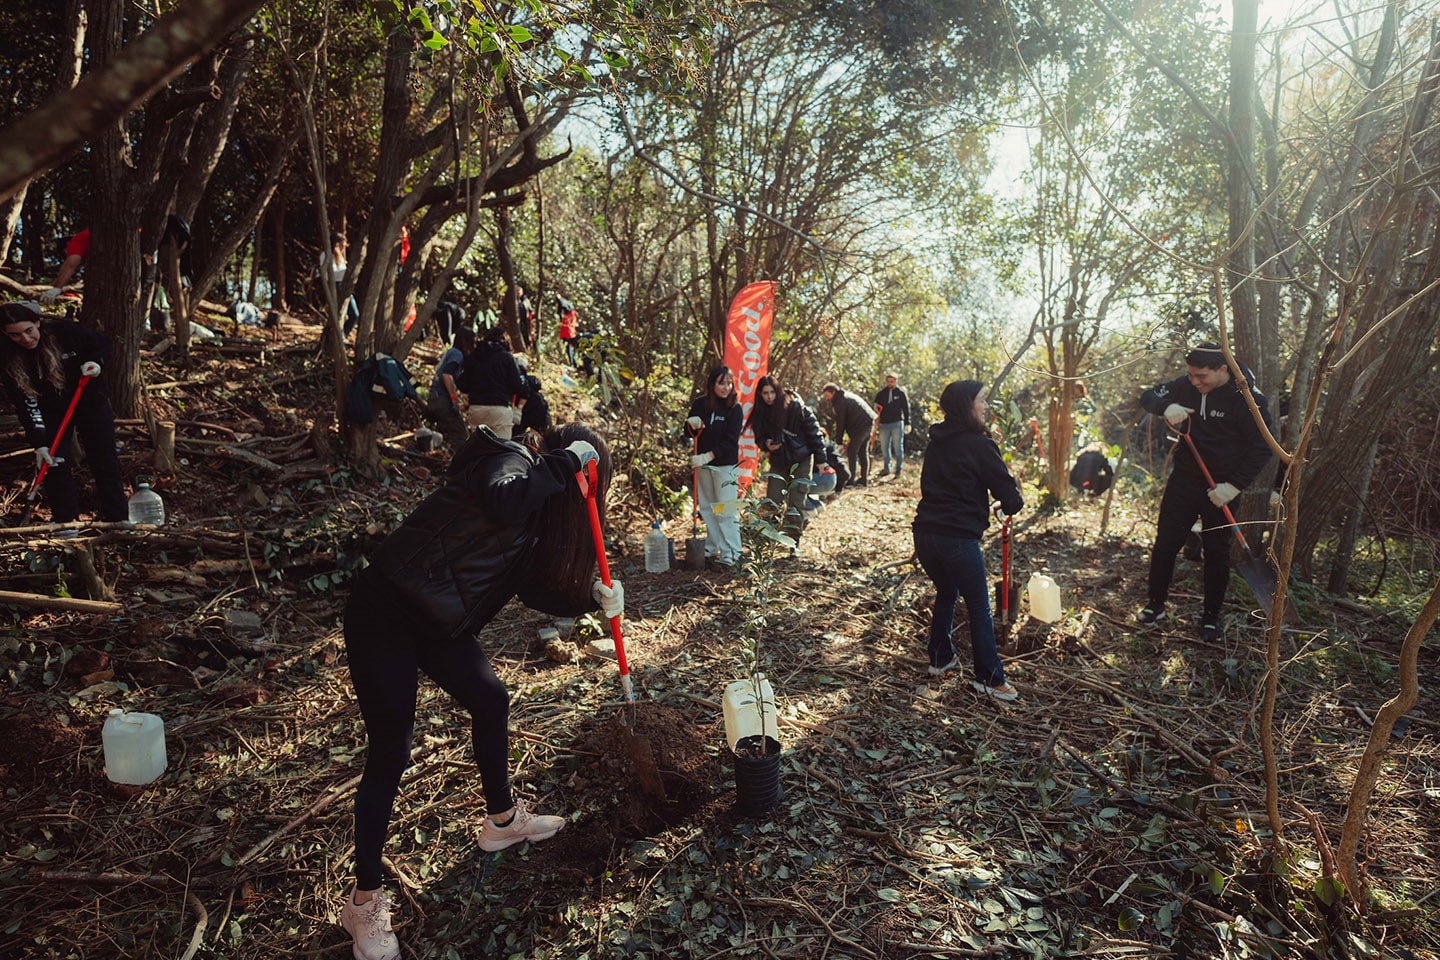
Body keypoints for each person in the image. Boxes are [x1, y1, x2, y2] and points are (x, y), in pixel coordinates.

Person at [338, 424, 622, 960]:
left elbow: (530, 586)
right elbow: (505, 496)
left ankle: (501, 822)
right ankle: (364, 901)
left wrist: (592, 597)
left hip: (440, 624)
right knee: (391, 750)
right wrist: (563, 462)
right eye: (585, 476)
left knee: (492, 701)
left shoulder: (537, 512)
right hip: (386, 613)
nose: (584, 488)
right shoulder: (506, 462)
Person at [1136, 342, 1273, 640]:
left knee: (1216, 551)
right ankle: (1155, 604)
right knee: (1166, 544)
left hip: (1222, 486)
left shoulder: (1249, 399)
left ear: (1222, 369)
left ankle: (1211, 617)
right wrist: (1166, 406)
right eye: (1190, 375)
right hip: (1185, 478)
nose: (1194, 381)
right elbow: (1147, 396)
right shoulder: (1186, 385)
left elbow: (1263, 447)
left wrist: (1233, 487)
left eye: (1201, 376)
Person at [912, 380, 1023, 701]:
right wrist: (1008, 489)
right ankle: (989, 677)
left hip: (924, 535)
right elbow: (1012, 500)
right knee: (978, 605)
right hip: (957, 539)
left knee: (947, 591)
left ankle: (940, 658)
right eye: (982, 400)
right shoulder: (980, 445)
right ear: (966, 406)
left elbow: (940, 486)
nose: (986, 406)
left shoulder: (937, 442)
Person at [0, 302, 127, 524]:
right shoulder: (7, 356)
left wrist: (96, 362)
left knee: (104, 458)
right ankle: (66, 522)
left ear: (37, 323)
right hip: (51, 409)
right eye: (16, 335)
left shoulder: (65, 332)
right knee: (53, 461)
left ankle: (118, 518)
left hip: (89, 400)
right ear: (5, 334)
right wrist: (39, 442)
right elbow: (25, 402)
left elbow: (103, 344)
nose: (26, 339)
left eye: (29, 330)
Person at [746, 374, 825, 557]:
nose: (769, 397)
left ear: (778, 391)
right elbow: (759, 436)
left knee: (795, 504)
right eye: (765, 393)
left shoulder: (794, 407)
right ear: (760, 394)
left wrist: (821, 459)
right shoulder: (760, 412)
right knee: (771, 502)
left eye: (772, 392)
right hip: (779, 460)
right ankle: (767, 543)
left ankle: (793, 544)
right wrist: (765, 443)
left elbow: (814, 431)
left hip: (802, 459)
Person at [684, 365, 743, 570]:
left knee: (725, 509)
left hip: (724, 466)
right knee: (708, 507)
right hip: (703, 466)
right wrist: (691, 424)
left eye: (729, 383)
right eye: (721, 383)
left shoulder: (735, 409)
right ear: (712, 384)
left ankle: (731, 554)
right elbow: (688, 432)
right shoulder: (701, 404)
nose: (726, 387)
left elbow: (730, 441)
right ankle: (711, 549)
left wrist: (708, 456)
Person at [458, 330, 526, 440]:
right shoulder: (507, 358)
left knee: (478, 449)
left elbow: (463, 385)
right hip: (500, 409)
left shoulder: (474, 356)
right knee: (501, 451)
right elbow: (517, 386)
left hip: (477, 408)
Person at [426, 327, 476, 449]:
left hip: (436, 397)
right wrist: (454, 399)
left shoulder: (451, 352)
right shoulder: (457, 354)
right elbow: (447, 375)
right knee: (461, 436)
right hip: (441, 399)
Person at [821, 383, 878, 486]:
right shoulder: (843, 396)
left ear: (833, 392)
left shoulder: (840, 400)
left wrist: (839, 441)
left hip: (862, 425)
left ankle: (851, 480)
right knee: (862, 452)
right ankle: (863, 480)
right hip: (867, 422)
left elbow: (841, 422)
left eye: (827, 396)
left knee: (852, 451)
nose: (826, 399)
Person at [872, 372, 910, 478]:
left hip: (897, 423)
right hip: (884, 424)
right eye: (888, 381)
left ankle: (898, 469)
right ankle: (886, 468)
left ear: (896, 381)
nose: (890, 383)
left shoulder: (901, 393)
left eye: (892, 381)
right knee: (885, 447)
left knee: (898, 447)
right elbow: (876, 407)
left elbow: (906, 408)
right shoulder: (881, 394)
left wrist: (907, 423)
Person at [321, 236, 360, 337]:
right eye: (342, 245)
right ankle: (338, 336)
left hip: (344, 285)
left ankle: (343, 335)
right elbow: (329, 275)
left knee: (354, 315)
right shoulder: (325, 255)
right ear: (336, 244)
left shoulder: (341, 257)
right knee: (340, 315)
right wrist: (347, 273)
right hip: (335, 285)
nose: (344, 248)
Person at [556, 296, 579, 365]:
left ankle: (573, 363)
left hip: (569, 333)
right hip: (569, 332)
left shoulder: (569, 315)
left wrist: (559, 314)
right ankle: (573, 362)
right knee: (570, 347)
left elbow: (561, 307)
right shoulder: (569, 313)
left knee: (570, 347)